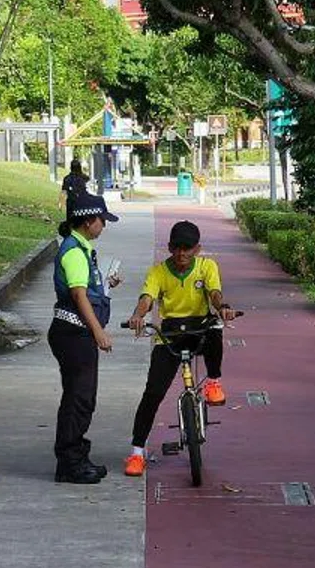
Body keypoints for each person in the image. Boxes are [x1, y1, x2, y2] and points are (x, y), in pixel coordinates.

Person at [121, 220, 239, 477]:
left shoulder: (208, 266)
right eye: (176, 248)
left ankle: (213, 382)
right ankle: (137, 453)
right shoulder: (158, 272)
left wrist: (223, 308)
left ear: (197, 249)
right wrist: (137, 316)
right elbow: (147, 299)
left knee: (215, 328)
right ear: (169, 247)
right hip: (171, 332)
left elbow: (215, 293)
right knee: (152, 393)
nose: (181, 254)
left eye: (187, 249)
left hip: (199, 328)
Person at [47, 188, 123, 484]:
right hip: (75, 334)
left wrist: (106, 286)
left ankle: (77, 454)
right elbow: (78, 295)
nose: (103, 225)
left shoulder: (79, 249)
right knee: (79, 399)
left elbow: (86, 291)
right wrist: (99, 332)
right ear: (89, 221)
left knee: (80, 397)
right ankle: (70, 463)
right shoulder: (74, 252)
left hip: (75, 334)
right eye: (102, 220)